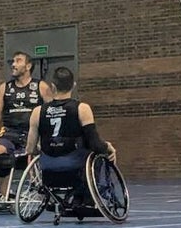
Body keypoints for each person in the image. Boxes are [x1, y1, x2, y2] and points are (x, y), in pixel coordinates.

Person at [24, 67, 115, 203]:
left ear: (53, 86)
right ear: (73, 85)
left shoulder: (37, 111)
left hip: (48, 166)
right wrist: (108, 147)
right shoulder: (82, 108)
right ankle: (87, 195)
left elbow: (30, 149)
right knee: (97, 153)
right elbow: (95, 143)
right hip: (75, 165)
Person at [0, 52, 53, 198]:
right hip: (11, 133)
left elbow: (52, 111)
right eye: (13, 61)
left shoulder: (40, 86)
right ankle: (5, 195)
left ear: (28, 66)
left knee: (40, 153)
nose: (13, 64)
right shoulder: (4, 88)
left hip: (33, 133)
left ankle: (44, 189)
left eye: (18, 61)